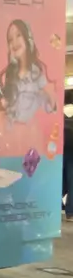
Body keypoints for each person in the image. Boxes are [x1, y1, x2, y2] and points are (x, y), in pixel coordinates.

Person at [0, 19, 56, 124]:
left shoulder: (36, 74)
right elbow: (4, 103)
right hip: (8, 127)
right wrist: (3, 103)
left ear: (27, 38)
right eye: (10, 39)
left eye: (18, 35)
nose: (14, 42)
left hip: (27, 129)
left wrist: (51, 94)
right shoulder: (10, 73)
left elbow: (49, 106)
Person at [63, 90, 73, 220]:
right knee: (72, 181)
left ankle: (53, 205)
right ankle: (70, 212)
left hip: (59, 151)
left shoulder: (58, 112)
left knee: (59, 179)